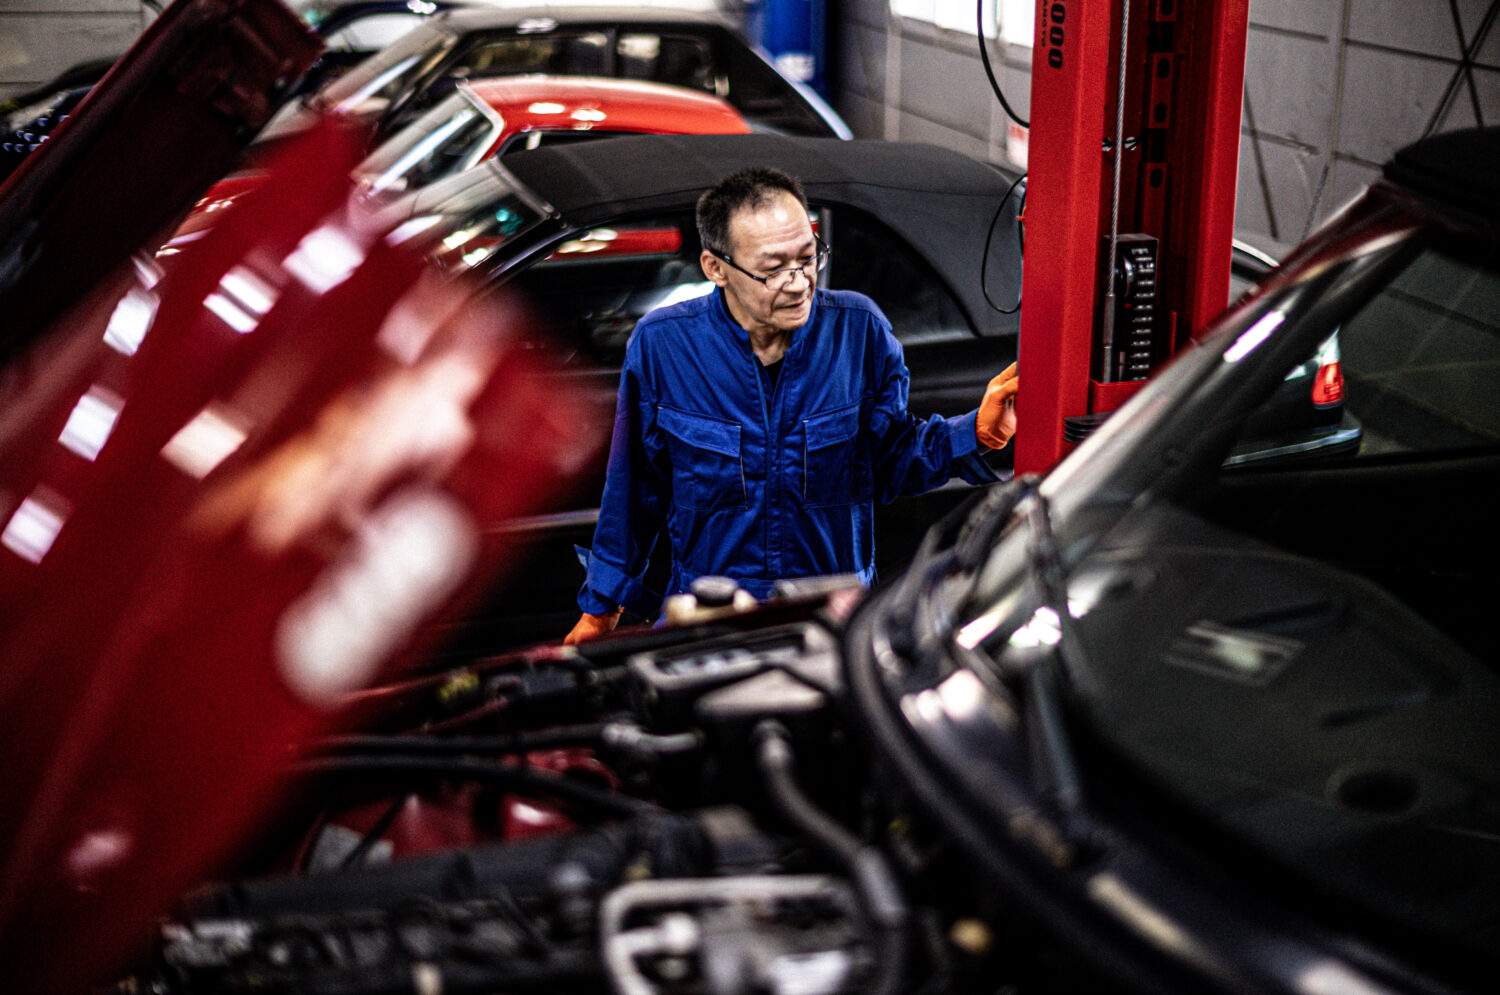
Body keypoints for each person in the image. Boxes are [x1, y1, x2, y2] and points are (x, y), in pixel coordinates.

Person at [565, 167, 1018, 643]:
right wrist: (600, 610)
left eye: (808, 258)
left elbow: (889, 460)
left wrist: (977, 432)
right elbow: (635, 490)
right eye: (773, 268)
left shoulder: (859, 331)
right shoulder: (664, 345)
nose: (799, 283)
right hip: (711, 619)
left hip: (830, 618)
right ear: (715, 267)